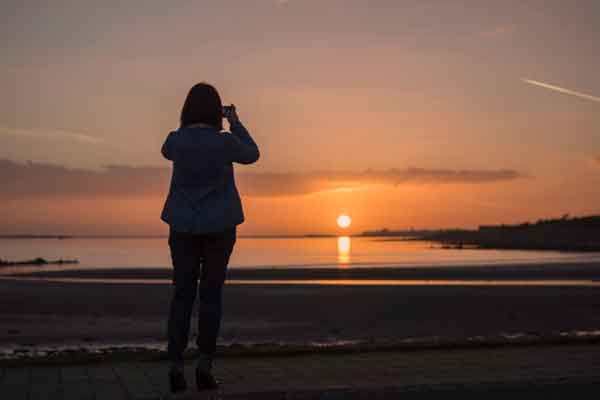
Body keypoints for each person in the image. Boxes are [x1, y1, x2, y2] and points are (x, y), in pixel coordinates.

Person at [160, 82, 259, 393]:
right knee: (211, 296)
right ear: (217, 111)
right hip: (220, 226)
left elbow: (167, 150)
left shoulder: (175, 141)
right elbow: (253, 154)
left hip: (183, 226)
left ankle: (176, 367)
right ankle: (204, 367)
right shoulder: (226, 142)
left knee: (182, 295)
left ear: (187, 109)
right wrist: (235, 121)